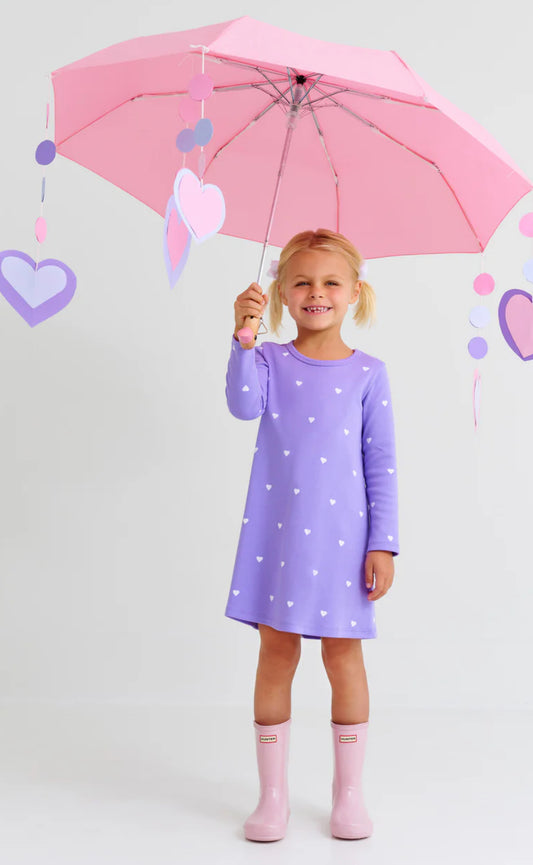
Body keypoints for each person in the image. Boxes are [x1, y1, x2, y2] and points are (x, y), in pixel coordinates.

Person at [224, 228, 399, 842]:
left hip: (345, 543)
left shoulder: (369, 374)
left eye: (330, 282)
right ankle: (272, 798)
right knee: (276, 653)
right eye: (301, 281)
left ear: (355, 292)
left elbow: (381, 462)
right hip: (279, 539)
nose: (316, 292)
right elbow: (243, 406)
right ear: (281, 292)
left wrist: (383, 542)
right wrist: (244, 339)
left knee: (343, 657)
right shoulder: (268, 360)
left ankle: (348, 796)